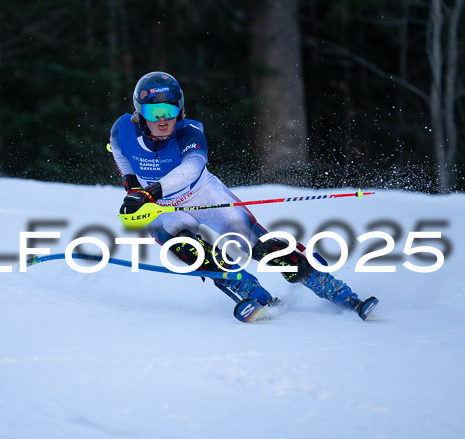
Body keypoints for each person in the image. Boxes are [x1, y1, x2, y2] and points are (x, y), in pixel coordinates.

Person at [108, 71, 377, 320]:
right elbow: (119, 152)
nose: (163, 119)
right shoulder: (122, 129)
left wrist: (148, 192)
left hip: (202, 194)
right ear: (139, 114)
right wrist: (132, 187)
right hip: (160, 209)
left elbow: (192, 168)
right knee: (188, 251)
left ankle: (328, 286)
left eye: (170, 109)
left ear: (180, 109)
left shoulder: (189, 131)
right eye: (154, 112)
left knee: (258, 244)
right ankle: (250, 291)